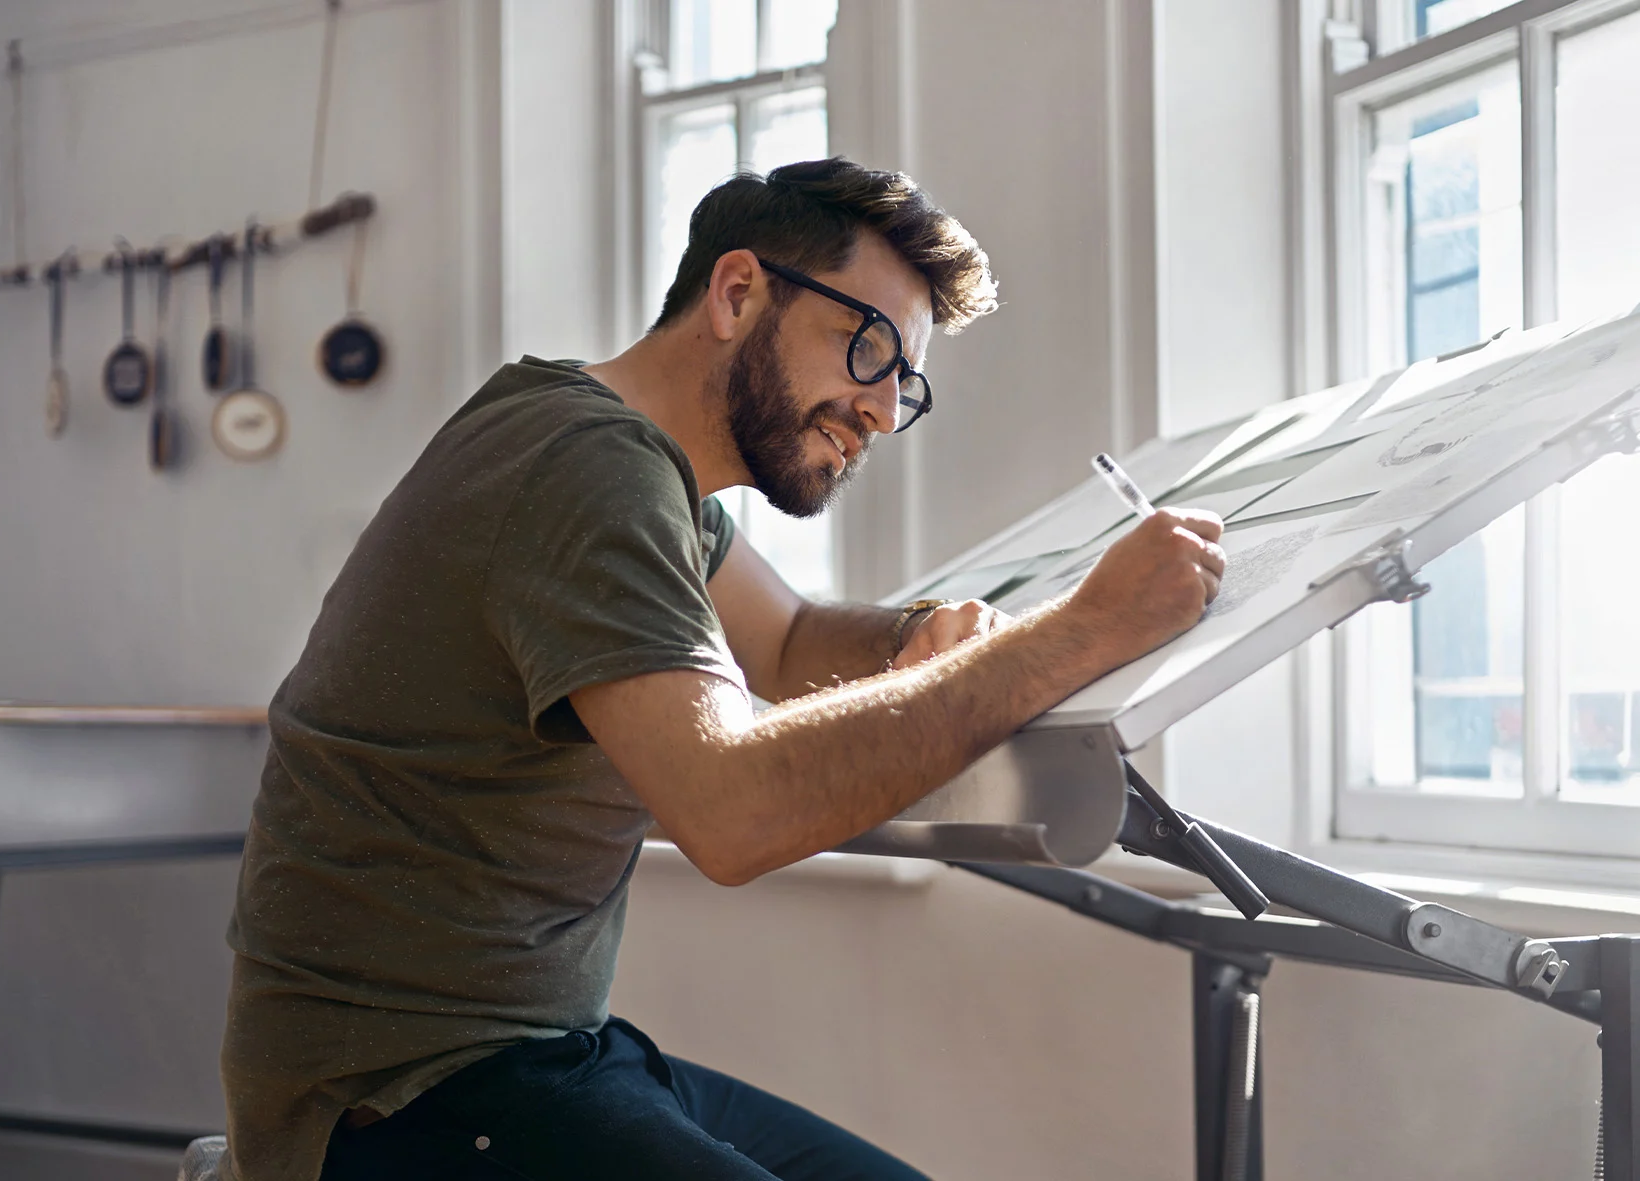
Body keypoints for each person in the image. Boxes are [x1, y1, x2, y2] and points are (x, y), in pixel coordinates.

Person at [220, 157, 1227, 1181]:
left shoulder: (614, 452)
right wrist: (1075, 631)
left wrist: (917, 632)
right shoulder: (589, 469)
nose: (881, 410)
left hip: (531, 1051)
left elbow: (785, 639)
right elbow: (734, 811)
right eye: (865, 347)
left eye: (903, 382)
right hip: (393, 1095)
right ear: (738, 292)